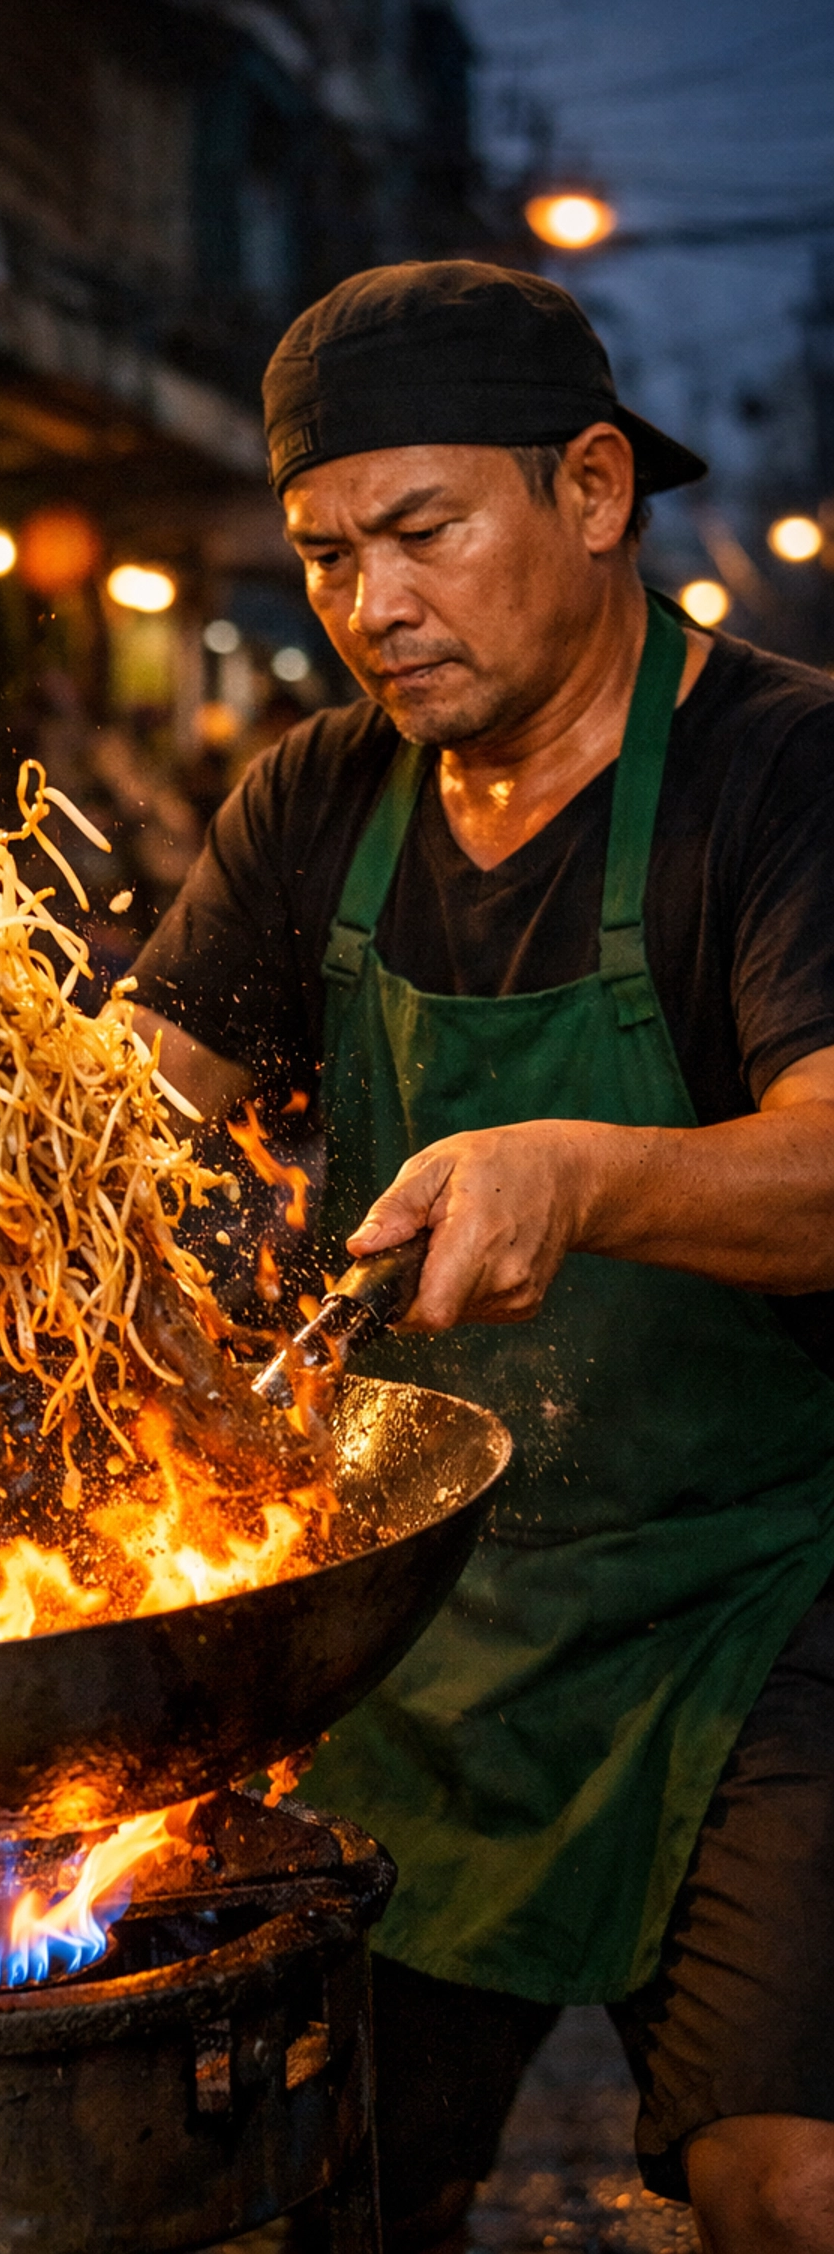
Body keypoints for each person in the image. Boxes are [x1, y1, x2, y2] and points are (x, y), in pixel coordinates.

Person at [129, 261, 834, 2254]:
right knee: (306, 2190)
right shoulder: (318, 802)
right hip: (424, 1629)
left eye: (421, 532)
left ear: (595, 492)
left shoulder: (780, 772)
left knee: (792, 2183)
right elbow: (129, 1111)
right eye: (329, 555)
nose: (370, 607)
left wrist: (587, 1175)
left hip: (755, 1600)